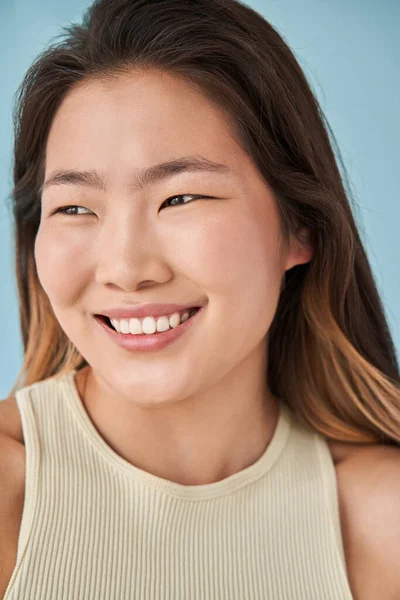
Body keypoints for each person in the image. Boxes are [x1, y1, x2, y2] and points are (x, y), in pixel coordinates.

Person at [1, 0, 399, 597]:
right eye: (75, 208)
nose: (127, 270)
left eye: (181, 199)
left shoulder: (381, 517)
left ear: (301, 227)